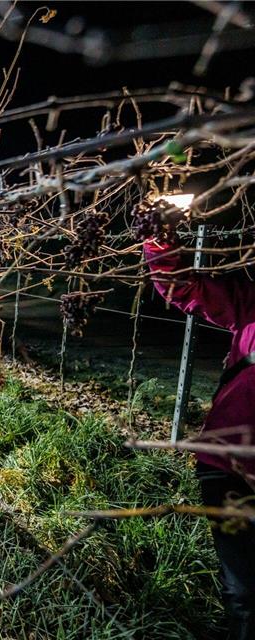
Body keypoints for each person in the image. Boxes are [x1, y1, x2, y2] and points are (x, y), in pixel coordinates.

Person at [143, 235, 254, 640]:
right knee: (245, 593)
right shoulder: (250, 304)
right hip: (230, 465)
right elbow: (185, 287)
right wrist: (159, 238)